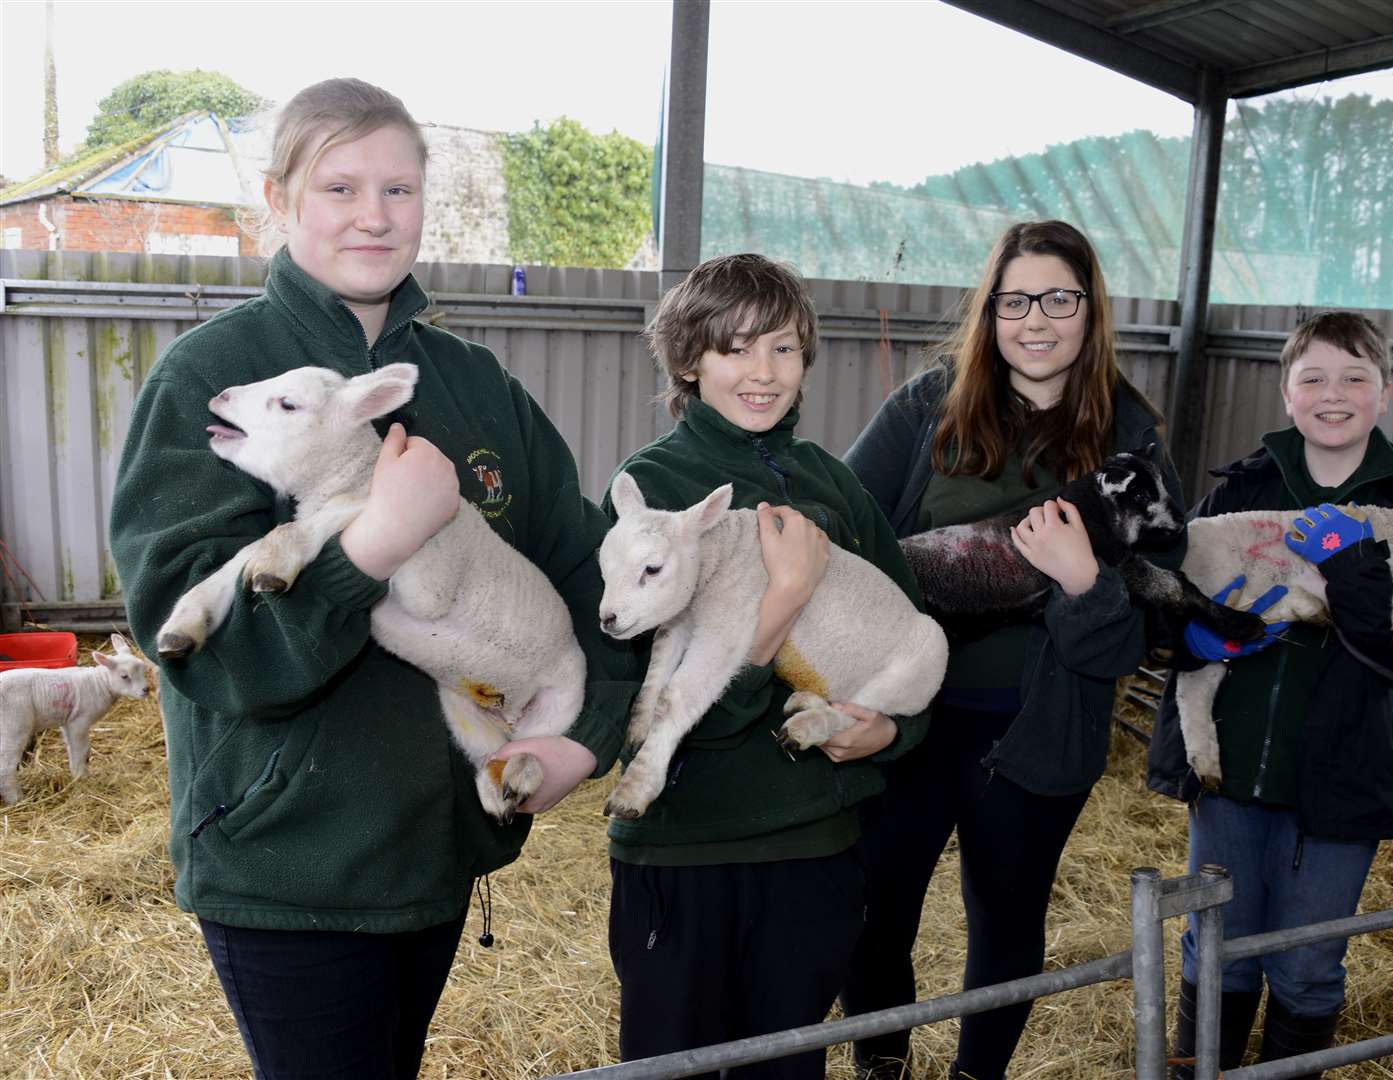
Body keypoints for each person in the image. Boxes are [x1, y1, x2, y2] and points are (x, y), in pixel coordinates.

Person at [108, 78, 639, 1080]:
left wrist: (582, 734)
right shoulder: (211, 377)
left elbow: (589, 569)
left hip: (433, 848)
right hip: (287, 858)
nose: (374, 215)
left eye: (399, 189)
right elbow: (209, 660)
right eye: (340, 186)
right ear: (278, 198)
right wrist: (367, 554)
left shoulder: (475, 387)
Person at [839, 220, 1184, 1080]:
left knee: (1006, 916)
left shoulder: (1131, 435)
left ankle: (975, 1075)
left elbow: (1138, 631)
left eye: (1059, 299)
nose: (1038, 320)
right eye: (1016, 299)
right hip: (907, 722)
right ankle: (883, 1061)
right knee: (873, 908)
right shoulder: (928, 407)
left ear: (1089, 309)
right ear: (989, 311)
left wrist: (1082, 583)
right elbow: (844, 529)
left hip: (1039, 732)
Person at [602, 253, 929, 1080]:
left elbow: (902, 624)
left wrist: (892, 728)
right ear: (688, 360)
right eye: (736, 349)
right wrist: (781, 601)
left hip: (815, 845)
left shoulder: (831, 485)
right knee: (670, 1063)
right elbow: (640, 697)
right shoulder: (656, 492)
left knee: (784, 1066)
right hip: (689, 846)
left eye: (783, 349)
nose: (763, 372)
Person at [1146, 311, 1393, 1079]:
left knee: (1308, 965)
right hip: (1231, 768)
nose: (1335, 394)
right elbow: (1170, 592)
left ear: (1385, 394)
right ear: (1287, 394)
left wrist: (1354, 563)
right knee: (1216, 948)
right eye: (1314, 378)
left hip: (1343, 777)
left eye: (1355, 377)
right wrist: (1184, 633)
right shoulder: (1242, 486)